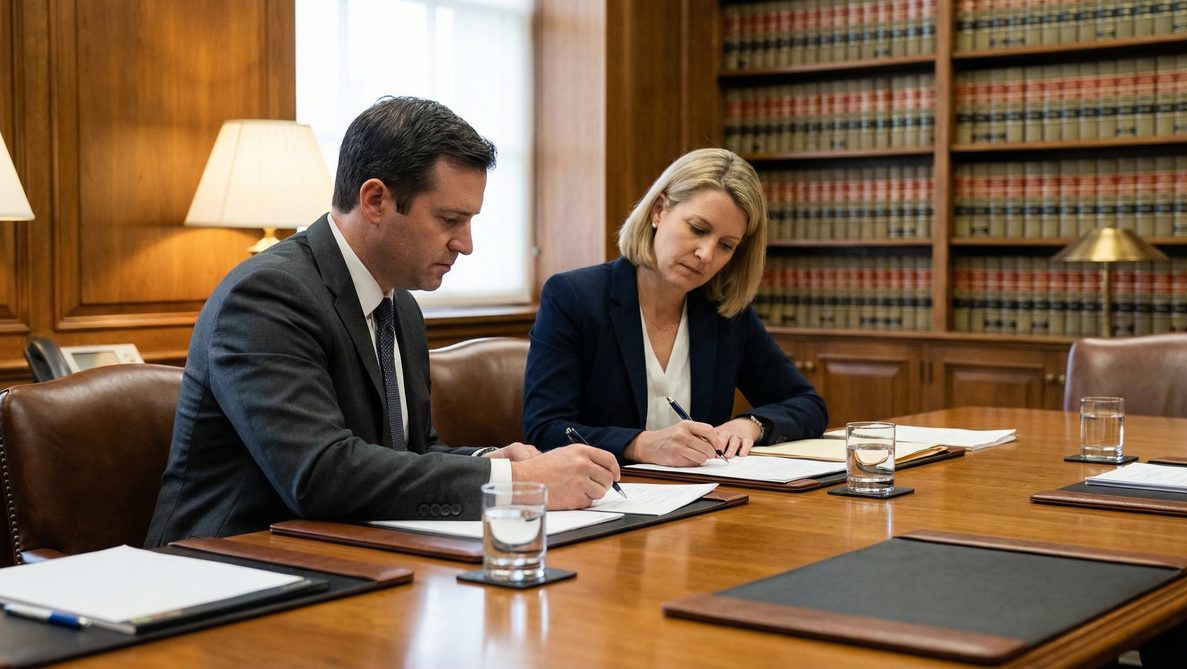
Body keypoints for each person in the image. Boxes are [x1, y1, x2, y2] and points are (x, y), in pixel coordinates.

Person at [146, 97, 619, 547]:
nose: (466, 244)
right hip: (229, 571)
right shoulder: (267, 296)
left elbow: (412, 450)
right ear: (374, 200)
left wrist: (490, 461)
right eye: (450, 219)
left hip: (351, 555)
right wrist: (513, 482)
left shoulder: (400, 304)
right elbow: (319, 475)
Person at [523, 148, 827, 466]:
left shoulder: (725, 314)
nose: (706, 255)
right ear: (658, 210)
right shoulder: (573, 297)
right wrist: (640, 444)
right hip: (605, 499)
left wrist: (750, 425)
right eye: (697, 229)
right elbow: (544, 430)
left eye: (726, 245)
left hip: (706, 500)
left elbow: (807, 404)